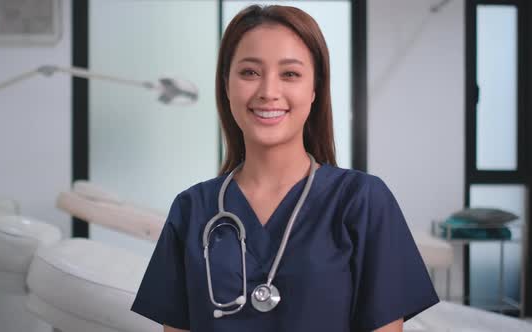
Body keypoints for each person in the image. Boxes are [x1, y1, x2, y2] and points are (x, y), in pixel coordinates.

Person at [131, 4, 439, 332]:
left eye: (290, 74)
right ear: (226, 84)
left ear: (314, 89)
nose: (268, 92)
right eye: (249, 72)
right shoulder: (192, 209)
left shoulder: (362, 200)